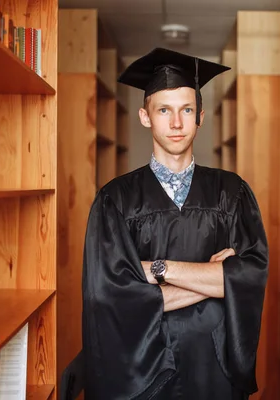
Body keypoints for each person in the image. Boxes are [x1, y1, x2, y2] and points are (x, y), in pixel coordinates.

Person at [79, 47, 269, 400]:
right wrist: (214, 281)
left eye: (186, 110)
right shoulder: (115, 200)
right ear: (145, 116)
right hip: (144, 368)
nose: (176, 123)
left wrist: (154, 270)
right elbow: (109, 298)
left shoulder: (232, 192)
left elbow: (252, 277)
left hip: (215, 365)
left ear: (200, 117)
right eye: (164, 110)